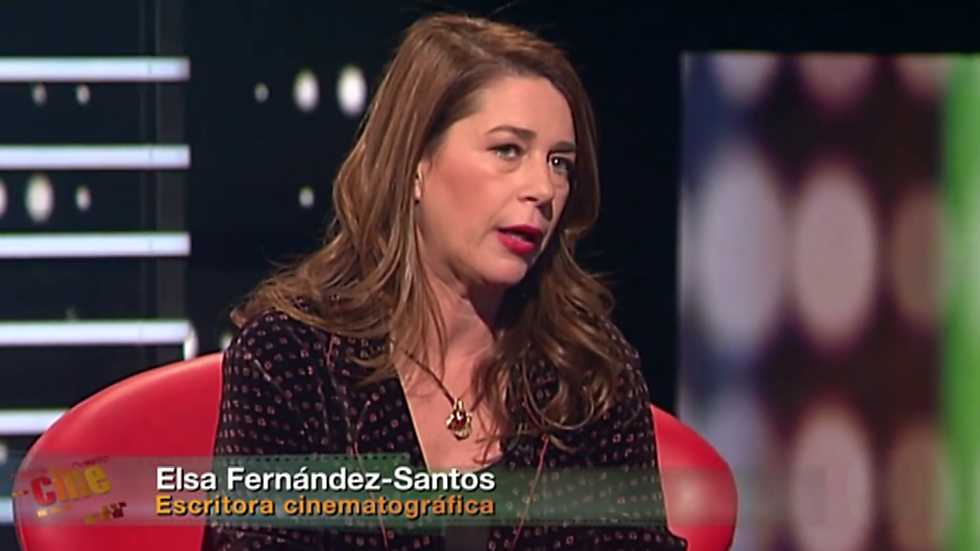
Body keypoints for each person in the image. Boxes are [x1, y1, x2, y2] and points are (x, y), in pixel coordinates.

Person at [202, 12, 687, 551]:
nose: (543, 188)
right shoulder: (290, 362)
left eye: (560, 163)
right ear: (416, 164)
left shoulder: (588, 374)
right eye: (508, 150)